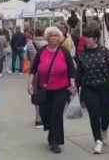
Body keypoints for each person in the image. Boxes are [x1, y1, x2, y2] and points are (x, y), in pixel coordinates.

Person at [28, 26, 76, 154]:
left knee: (56, 114)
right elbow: (33, 69)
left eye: (56, 35)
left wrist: (72, 81)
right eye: (51, 35)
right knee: (46, 114)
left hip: (61, 89)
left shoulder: (64, 51)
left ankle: (56, 142)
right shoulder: (42, 51)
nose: (54, 38)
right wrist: (30, 84)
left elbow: (71, 68)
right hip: (44, 89)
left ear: (59, 37)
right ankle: (51, 133)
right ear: (47, 37)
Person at [77, 24, 109, 154]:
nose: (86, 40)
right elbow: (79, 74)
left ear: (96, 38)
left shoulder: (105, 52)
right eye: (85, 37)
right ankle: (97, 141)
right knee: (94, 115)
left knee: (106, 115)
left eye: (89, 37)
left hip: (105, 87)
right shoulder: (82, 55)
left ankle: (104, 129)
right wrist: (76, 91)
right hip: (89, 88)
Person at [26, 26, 47, 129]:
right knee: (46, 93)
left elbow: (27, 58)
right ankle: (45, 117)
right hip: (45, 71)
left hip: (34, 72)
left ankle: (38, 118)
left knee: (36, 94)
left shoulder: (30, 44)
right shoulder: (47, 44)